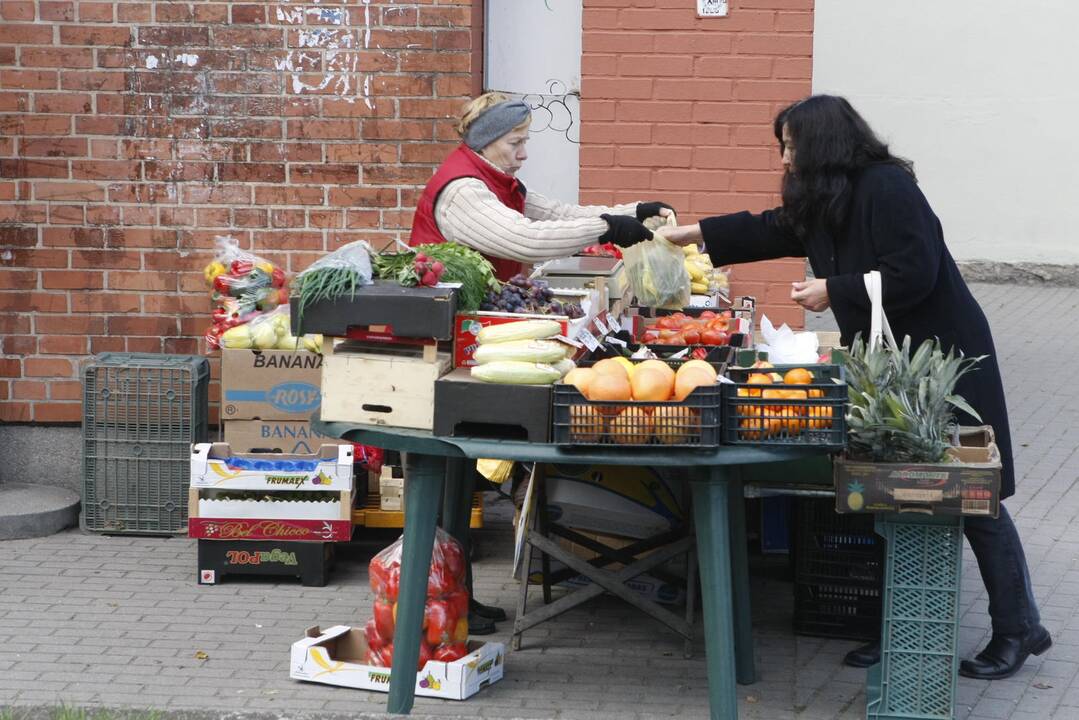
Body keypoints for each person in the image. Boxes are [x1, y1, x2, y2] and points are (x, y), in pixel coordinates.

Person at [660, 94, 1050, 680]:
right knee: (893, 491)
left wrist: (832, 291)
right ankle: (899, 627)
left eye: (792, 146)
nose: (786, 159)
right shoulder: (828, 191)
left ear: (822, 144)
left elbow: (914, 271)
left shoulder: (888, 188)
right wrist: (693, 234)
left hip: (941, 359)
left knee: (971, 495)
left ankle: (1019, 628)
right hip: (890, 363)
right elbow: (779, 228)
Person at [410, 91, 668, 280]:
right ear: (485, 142)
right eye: (514, 143)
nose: (523, 154)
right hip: (442, 331)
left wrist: (636, 212)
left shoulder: (497, 180)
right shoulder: (463, 191)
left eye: (525, 142)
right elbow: (525, 239)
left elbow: (560, 214)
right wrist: (607, 229)